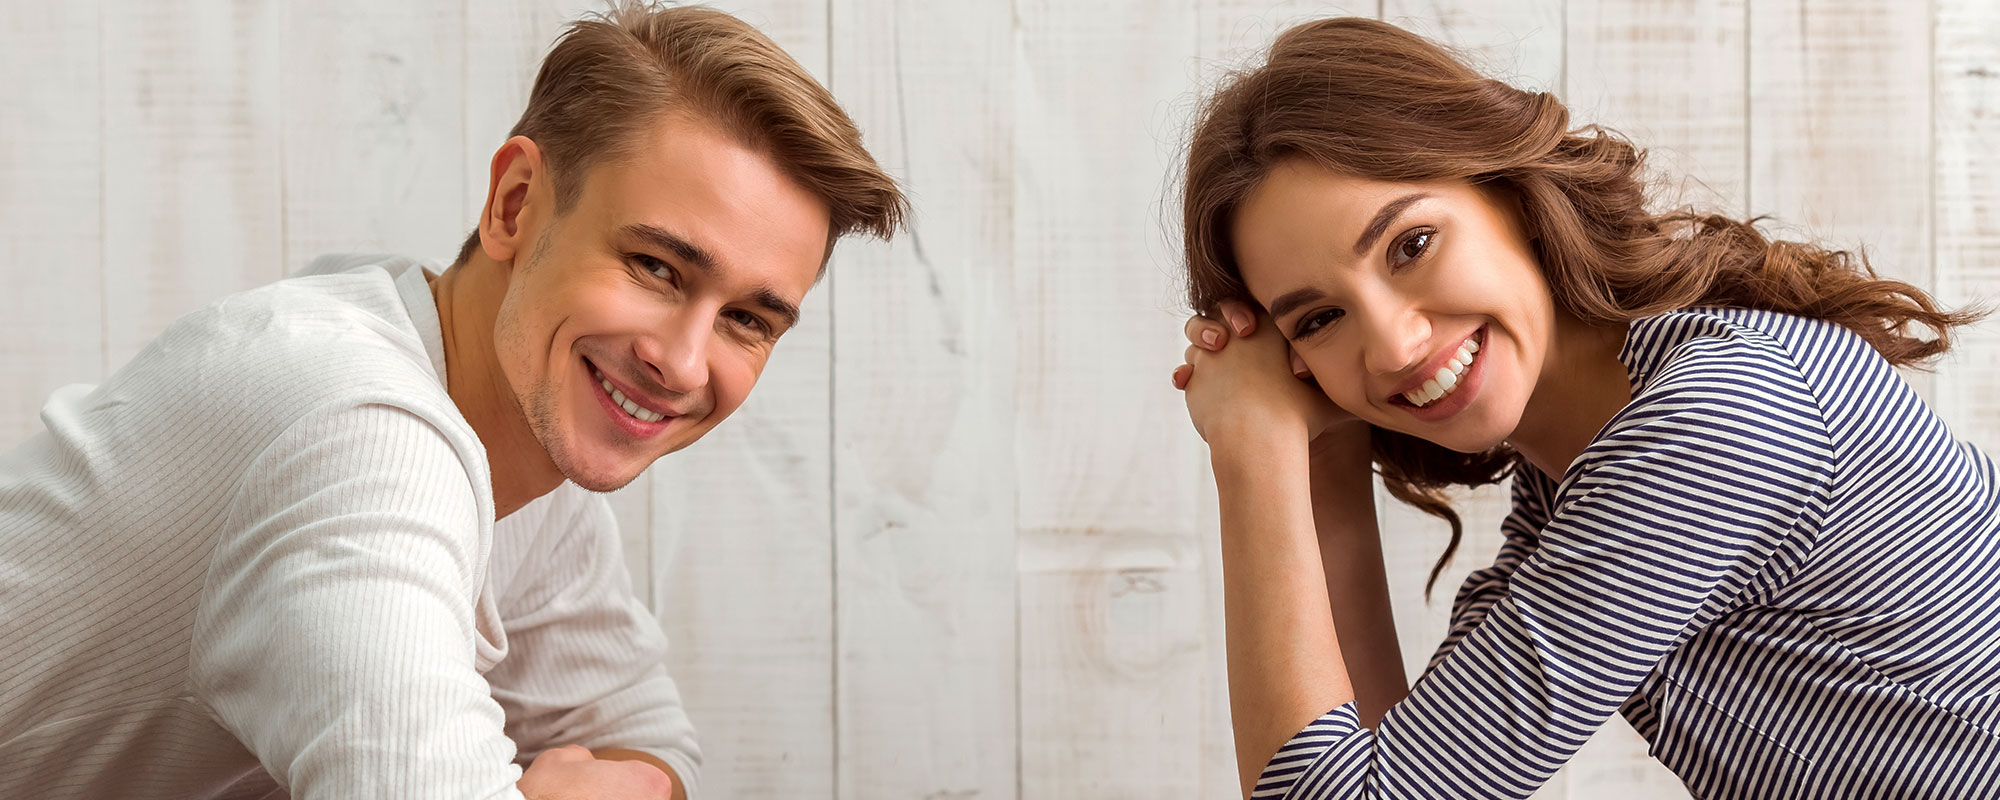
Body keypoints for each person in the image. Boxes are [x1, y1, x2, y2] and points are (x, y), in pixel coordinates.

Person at [0, 4, 903, 799]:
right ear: (514, 205)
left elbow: (642, 734)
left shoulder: (513, 418)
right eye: (655, 267)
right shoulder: (361, 440)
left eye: (748, 319)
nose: (680, 362)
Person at [1172, 16, 2000, 800]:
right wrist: (1325, 460)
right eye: (1319, 320)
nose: (1393, 346)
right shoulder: (1570, 485)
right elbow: (1386, 761)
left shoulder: (1717, 417)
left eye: (1411, 245)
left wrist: (1253, 452)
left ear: (1512, 197)